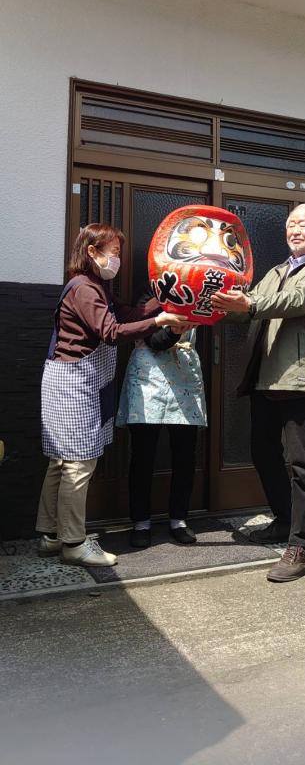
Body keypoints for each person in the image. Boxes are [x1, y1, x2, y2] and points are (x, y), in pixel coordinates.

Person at [36, 224, 187, 568]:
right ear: (92, 251)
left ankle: (51, 535)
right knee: (78, 464)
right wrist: (159, 321)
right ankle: (74, 543)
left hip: (76, 381)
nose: (117, 259)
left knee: (60, 462)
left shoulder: (96, 286)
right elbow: (111, 331)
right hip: (72, 384)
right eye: (114, 252)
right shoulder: (84, 289)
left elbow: (128, 313)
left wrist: (161, 300)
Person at [211, 204, 305, 582]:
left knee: (303, 465)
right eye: (290, 225)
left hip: (300, 379)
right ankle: (284, 520)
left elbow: (295, 301)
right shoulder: (276, 271)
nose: (294, 230)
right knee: (263, 453)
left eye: (302, 225)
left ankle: (302, 546)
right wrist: (214, 305)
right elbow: (246, 307)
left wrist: (249, 303)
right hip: (265, 378)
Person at [116, 293, 206, 549]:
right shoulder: (148, 297)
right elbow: (154, 340)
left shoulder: (197, 295)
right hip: (148, 380)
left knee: (185, 454)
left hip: (184, 376)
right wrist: (174, 331)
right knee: (143, 455)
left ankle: (179, 519)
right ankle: (141, 522)